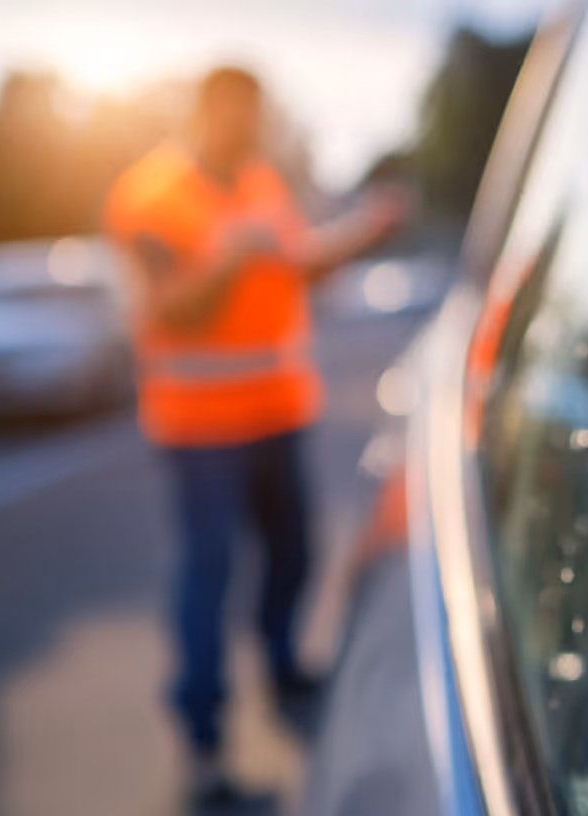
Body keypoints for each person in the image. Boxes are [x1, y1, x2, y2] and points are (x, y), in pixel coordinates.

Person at [105, 66, 409, 808]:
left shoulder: (262, 187)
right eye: (244, 114)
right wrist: (232, 257)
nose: (254, 127)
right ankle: (204, 744)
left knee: (293, 551)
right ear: (211, 110)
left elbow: (301, 268)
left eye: (260, 115)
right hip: (200, 428)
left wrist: (366, 229)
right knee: (207, 574)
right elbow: (169, 313)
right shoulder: (153, 196)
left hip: (278, 414)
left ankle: (280, 665)